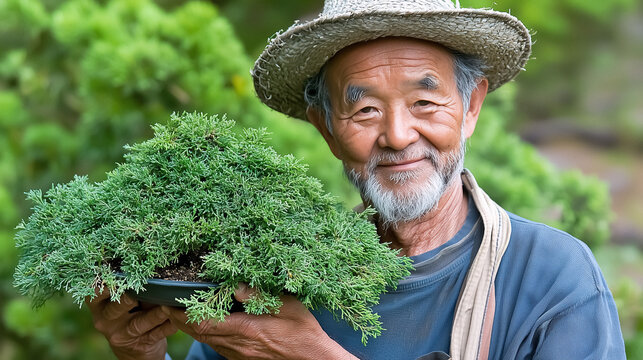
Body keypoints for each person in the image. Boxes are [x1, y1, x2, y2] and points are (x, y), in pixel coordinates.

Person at [87, 0, 627, 359]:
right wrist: (143, 353)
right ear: (325, 126)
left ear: (470, 107)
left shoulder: (552, 280)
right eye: (363, 109)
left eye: (424, 101)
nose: (396, 135)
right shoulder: (267, 271)